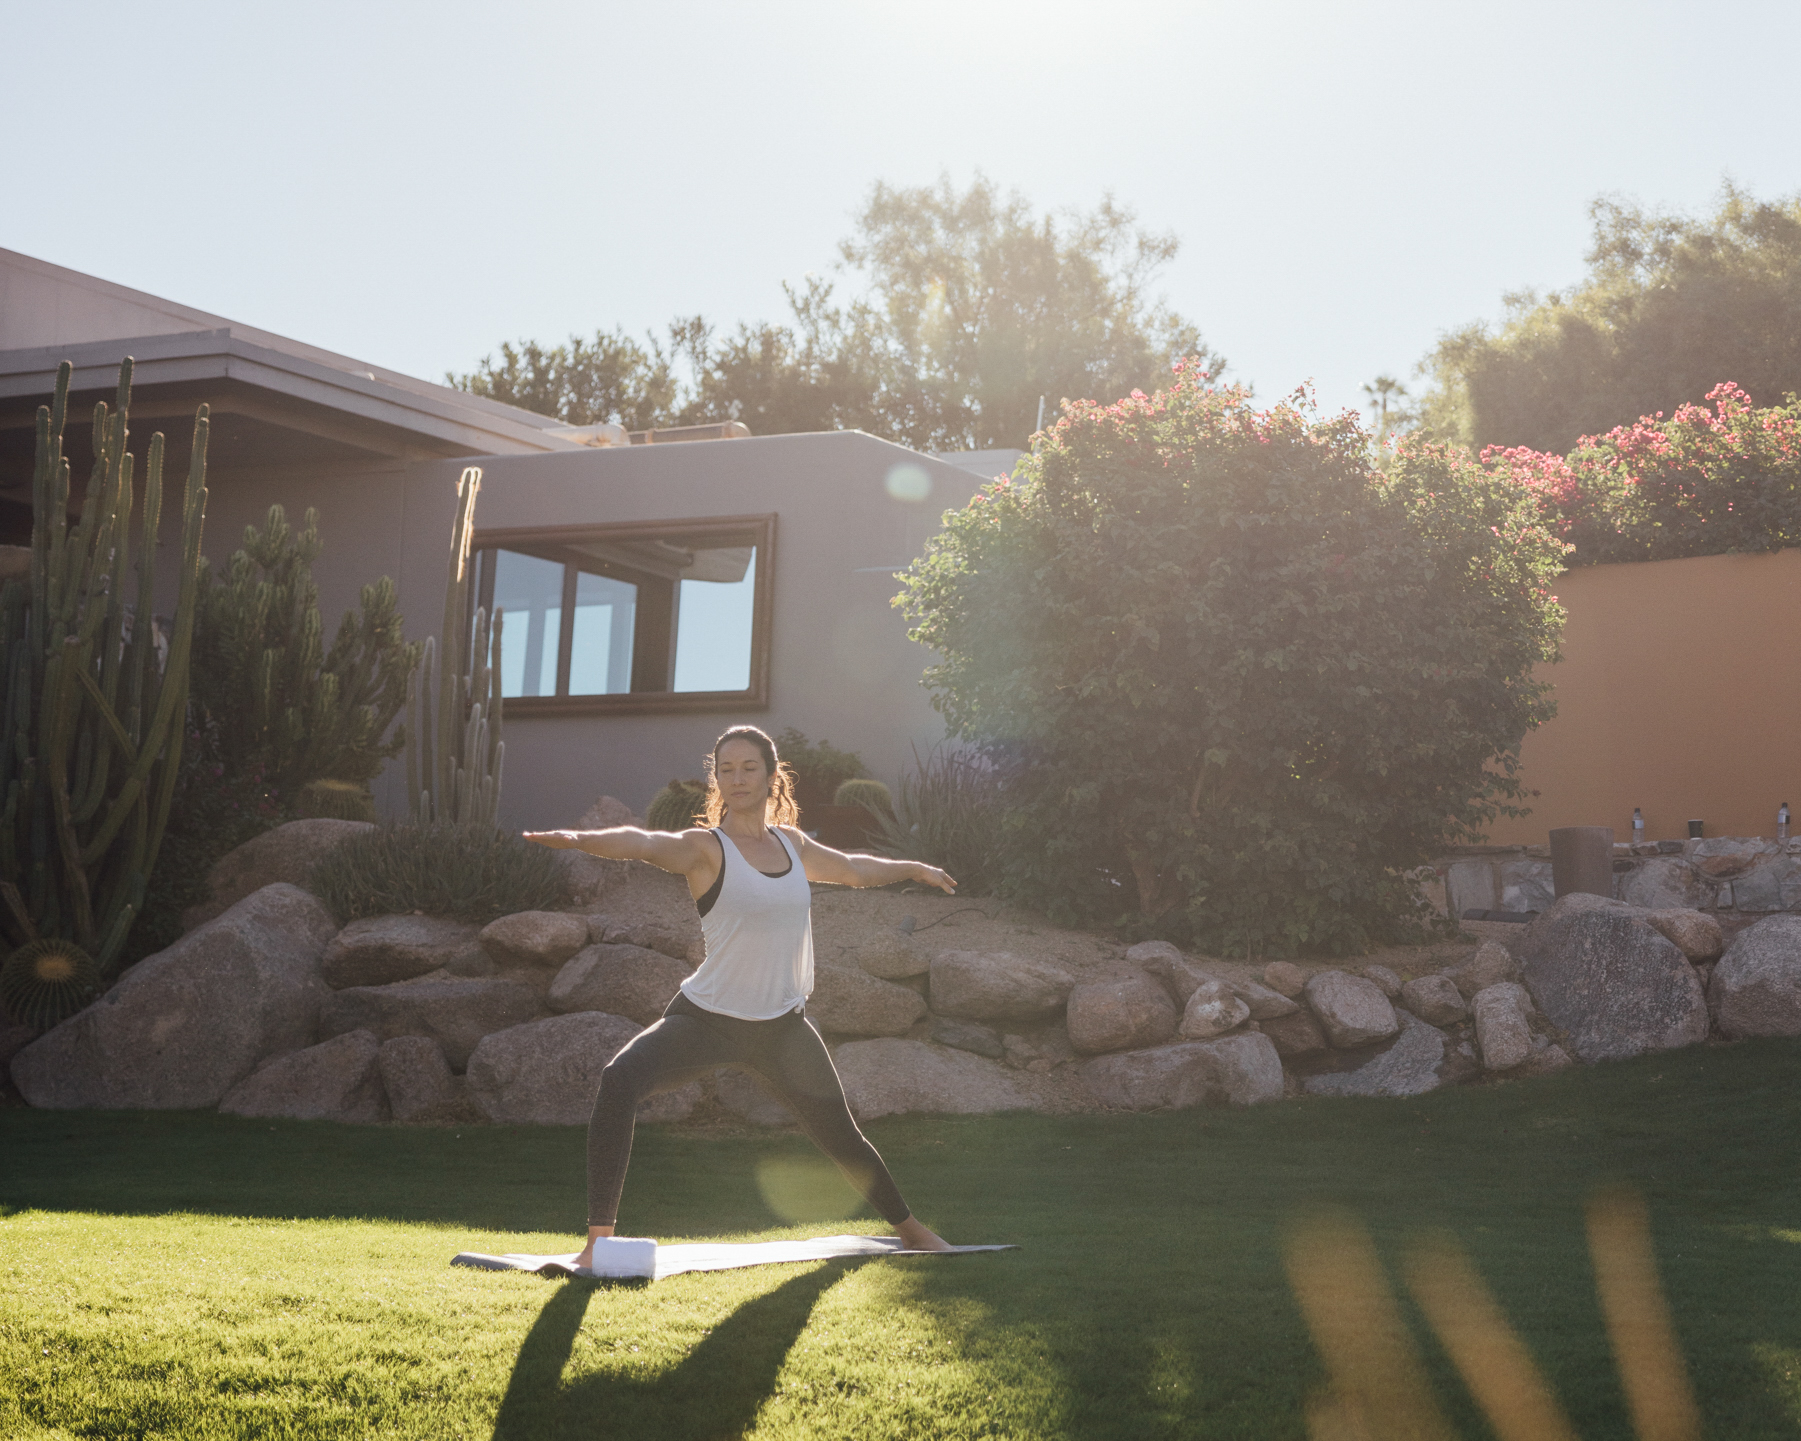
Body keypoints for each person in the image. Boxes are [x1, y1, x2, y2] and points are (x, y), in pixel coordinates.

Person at [523, 724, 957, 1266]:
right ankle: (597, 1243)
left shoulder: (792, 845)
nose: (737, 778)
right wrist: (579, 840)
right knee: (620, 1079)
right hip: (708, 1020)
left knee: (841, 1136)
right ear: (717, 780)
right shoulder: (706, 849)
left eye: (749, 767)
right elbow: (644, 843)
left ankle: (912, 1231)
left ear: (773, 775)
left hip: (781, 1027)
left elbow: (850, 869)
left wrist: (913, 867)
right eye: (725, 769)